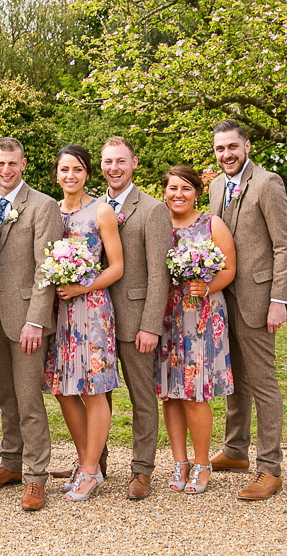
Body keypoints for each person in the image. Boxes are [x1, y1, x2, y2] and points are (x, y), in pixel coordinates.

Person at [208, 119, 287, 500]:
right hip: (223, 298)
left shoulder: (267, 183)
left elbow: (285, 246)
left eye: (232, 147)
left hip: (260, 301)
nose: (226, 154)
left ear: (247, 146)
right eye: (220, 149)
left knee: (263, 382)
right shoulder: (214, 186)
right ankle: (234, 450)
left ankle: (271, 468)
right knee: (234, 379)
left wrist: (279, 300)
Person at [0, 137, 59, 511]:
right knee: (5, 395)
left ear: (23, 165)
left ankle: (36, 476)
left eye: (12, 163)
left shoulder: (43, 205)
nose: (5, 170)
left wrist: (36, 320)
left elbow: (47, 267)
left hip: (27, 319)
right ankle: (10, 462)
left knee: (28, 400)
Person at [44, 145, 123, 502]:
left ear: (87, 173)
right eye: (64, 170)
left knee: (93, 388)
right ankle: (85, 461)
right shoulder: (49, 211)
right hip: (59, 312)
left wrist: (82, 285)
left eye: (77, 169)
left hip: (91, 309)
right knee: (63, 388)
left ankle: (92, 470)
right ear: (56, 175)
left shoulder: (101, 211)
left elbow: (116, 267)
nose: (70, 176)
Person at [98, 136, 172, 499]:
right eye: (108, 161)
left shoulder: (153, 209)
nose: (114, 168)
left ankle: (142, 469)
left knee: (142, 397)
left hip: (134, 317)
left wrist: (150, 325)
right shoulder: (95, 207)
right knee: (98, 393)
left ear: (134, 163)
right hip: (95, 319)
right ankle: (95, 462)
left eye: (121, 161)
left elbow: (160, 274)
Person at [158, 165, 236, 495]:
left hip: (201, 316)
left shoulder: (211, 224)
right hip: (165, 316)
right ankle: (180, 462)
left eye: (186, 188)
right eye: (173, 188)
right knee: (169, 394)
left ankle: (202, 463)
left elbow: (230, 269)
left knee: (193, 393)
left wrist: (206, 287)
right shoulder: (157, 223)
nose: (178, 194)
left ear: (197, 193)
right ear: (164, 191)